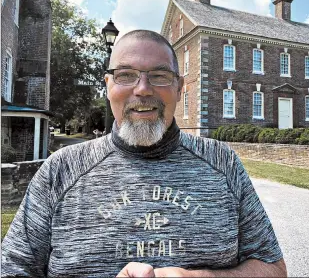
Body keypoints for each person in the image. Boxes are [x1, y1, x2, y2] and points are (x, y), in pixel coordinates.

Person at [2, 30, 287, 277]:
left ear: (179, 87)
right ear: (108, 86)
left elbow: (273, 268)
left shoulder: (223, 163)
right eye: (126, 75)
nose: (142, 89)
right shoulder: (60, 170)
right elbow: (12, 269)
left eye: (160, 76)